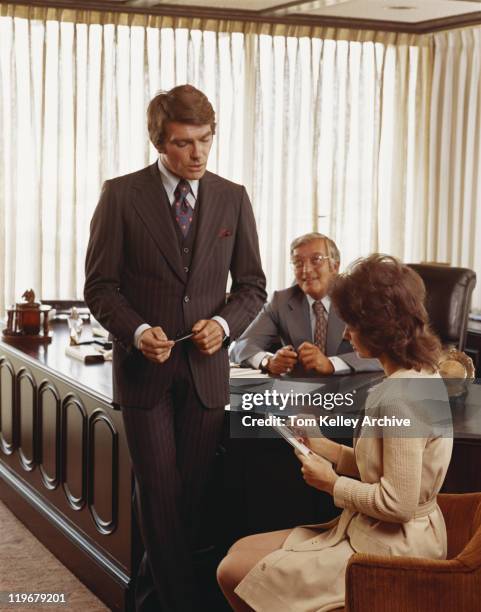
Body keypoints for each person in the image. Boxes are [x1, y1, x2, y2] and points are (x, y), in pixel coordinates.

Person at [84, 84, 266, 612]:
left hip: (207, 376)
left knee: (186, 504)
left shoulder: (233, 196)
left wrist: (225, 325)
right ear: (160, 143)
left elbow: (252, 285)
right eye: (185, 143)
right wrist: (138, 332)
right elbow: (100, 287)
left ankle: (146, 599)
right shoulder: (121, 195)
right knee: (160, 497)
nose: (198, 154)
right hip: (146, 379)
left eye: (206, 140)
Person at [217, 254, 453, 611]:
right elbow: (383, 468)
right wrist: (324, 446)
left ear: (378, 329)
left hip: (393, 549)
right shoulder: (417, 375)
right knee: (237, 555)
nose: (345, 333)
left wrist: (330, 483)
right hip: (377, 531)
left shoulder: (399, 398)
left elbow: (399, 504)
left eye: (353, 324)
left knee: (232, 570)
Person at [230, 232, 381, 376]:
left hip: (355, 392)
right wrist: (267, 361)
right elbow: (241, 346)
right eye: (298, 263)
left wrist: (332, 364)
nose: (306, 270)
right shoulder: (281, 301)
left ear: (334, 266)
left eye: (316, 259)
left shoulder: (359, 297)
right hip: (301, 394)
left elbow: (387, 351)